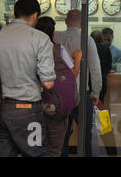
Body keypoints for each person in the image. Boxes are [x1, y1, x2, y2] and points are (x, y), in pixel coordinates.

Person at [0, 0, 56, 157]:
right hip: (27, 109)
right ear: (35, 16)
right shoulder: (40, 39)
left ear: (14, 14)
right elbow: (47, 83)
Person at [53, 9, 102, 157]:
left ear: (66, 21)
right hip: (80, 93)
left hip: (59, 93)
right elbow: (95, 69)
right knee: (87, 133)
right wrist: (95, 93)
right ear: (81, 23)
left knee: (62, 134)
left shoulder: (55, 37)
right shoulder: (87, 40)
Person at [35, 16, 82, 157]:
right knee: (54, 149)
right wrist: (78, 58)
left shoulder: (30, 48)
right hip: (55, 105)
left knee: (34, 148)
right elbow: (72, 74)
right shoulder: (57, 49)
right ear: (53, 32)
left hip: (34, 104)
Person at [90, 30, 112, 105]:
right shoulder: (106, 48)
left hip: (88, 80)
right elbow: (109, 66)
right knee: (100, 101)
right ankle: (99, 115)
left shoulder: (87, 48)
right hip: (102, 78)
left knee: (89, 102)